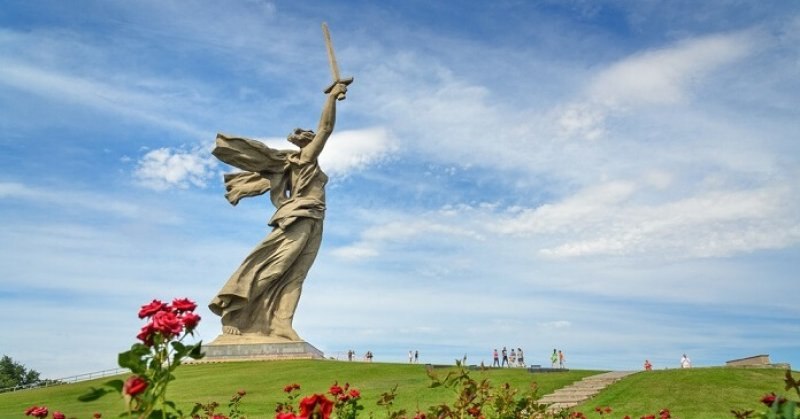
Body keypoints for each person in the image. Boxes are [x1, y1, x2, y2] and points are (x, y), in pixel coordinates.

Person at [208, 82, 350, 340]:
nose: (313, 137)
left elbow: (279, 195)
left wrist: (286, 204)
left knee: (296, 274)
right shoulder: (305, 158)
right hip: (300, 216)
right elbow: (326, 128)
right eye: (309, 136)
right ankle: (235, 314)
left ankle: (281, 323)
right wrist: (331, 97)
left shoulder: (303, 165)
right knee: (275, 267)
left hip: (314, 217)